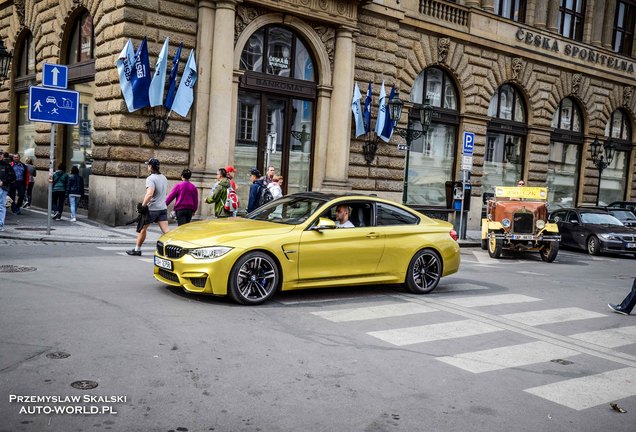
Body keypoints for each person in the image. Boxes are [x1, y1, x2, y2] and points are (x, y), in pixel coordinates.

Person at [126, 158, 170, 256]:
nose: (147, 167)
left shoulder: (150, 178)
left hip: (152, 209)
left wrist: (143, 206)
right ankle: (172, 250)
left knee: (142, 229)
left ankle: (137, 249)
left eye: (148, 165)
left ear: (150, 167)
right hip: (162, 208)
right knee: (167, 232)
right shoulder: (164, 177)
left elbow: (149, 194)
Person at [0, 154, 17, 232]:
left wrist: (3, 182)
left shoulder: (6, 166)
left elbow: (13, 176)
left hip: (2, 188)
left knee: (1, 205)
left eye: (0, 155)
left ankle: (0, 224)